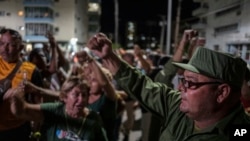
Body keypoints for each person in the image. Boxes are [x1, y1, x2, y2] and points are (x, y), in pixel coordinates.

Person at [85, 32, 250, 141]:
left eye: (190, 83)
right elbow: (141, 85)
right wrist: (109, 57)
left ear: (222, 93)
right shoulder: (176, 105)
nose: (180, 89)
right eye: (182, 80)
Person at [5, 77, 108, 141]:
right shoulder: (55, 110)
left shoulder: (94, 119)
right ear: (64, 97)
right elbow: (22, 111)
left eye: (84, 95)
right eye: (76, 95)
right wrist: (15, 97)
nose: (81, 100)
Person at [0, 28, 44, 141]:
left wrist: (36, 131)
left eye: (11, 45)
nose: (4, 49)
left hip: (17, 130)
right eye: (2, 43)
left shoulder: (31, 70)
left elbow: (39, 104)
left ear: (21, 48)